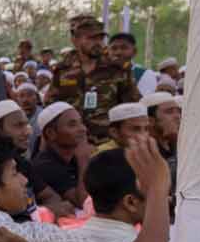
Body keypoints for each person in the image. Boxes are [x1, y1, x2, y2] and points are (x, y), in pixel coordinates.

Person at [45, 14, 135, 142]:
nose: (98, 43)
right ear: (76, 40)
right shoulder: (63, 70)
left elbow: (131, 105)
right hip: (72, 143)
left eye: (100, 38)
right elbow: (51, 105)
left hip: (108, 142)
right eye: (91, 38)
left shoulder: (117, 69)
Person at [28, 101, 91, 211]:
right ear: (51, 133)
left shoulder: (73, 158)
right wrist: (83, 159)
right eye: (72, 124)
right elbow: (84, 203)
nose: (82, 129)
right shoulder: (44, 165)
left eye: (81, 123)